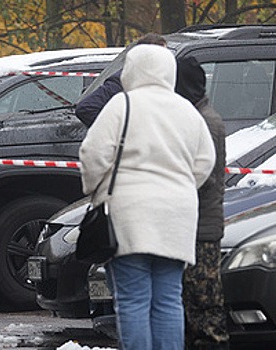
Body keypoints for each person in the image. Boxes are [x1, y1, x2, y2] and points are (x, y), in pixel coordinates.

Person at [79, 44, 216, 349]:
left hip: (129, 215)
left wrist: (96, 190)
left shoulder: (121, 105)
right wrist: (180, 186)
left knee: (133, 301)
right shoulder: (187, 111)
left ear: (132, 70)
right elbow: (205, 161)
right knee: (168, 299)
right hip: (176, 216)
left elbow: (93, 153)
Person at [176, 56, 230, 350]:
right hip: (195, 225)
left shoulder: (205, 121)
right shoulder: (197, 117)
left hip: (202, 229)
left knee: (205, 305)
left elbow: (203, 177)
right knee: (193, 305)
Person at [75, 33, 167, 127]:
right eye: (161, 55)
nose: (166, 59)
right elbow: (86, 108)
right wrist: (119, 132)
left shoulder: (163, 81)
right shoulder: (123, 80)